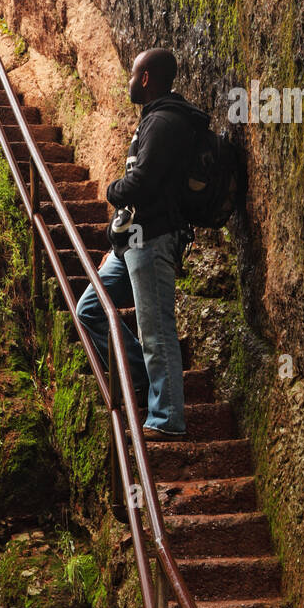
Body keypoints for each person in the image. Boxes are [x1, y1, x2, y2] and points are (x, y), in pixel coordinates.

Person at [75, 48, 209, 440]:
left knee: (157, 329)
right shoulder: (154, 119)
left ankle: (167, 418)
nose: (129, 81)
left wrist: (112, 189)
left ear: (146, 77)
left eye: (133, 75)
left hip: (153, 240)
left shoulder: (166, 122)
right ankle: (140, 383)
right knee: (89, 310)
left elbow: (143, 183)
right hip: (133, 242)